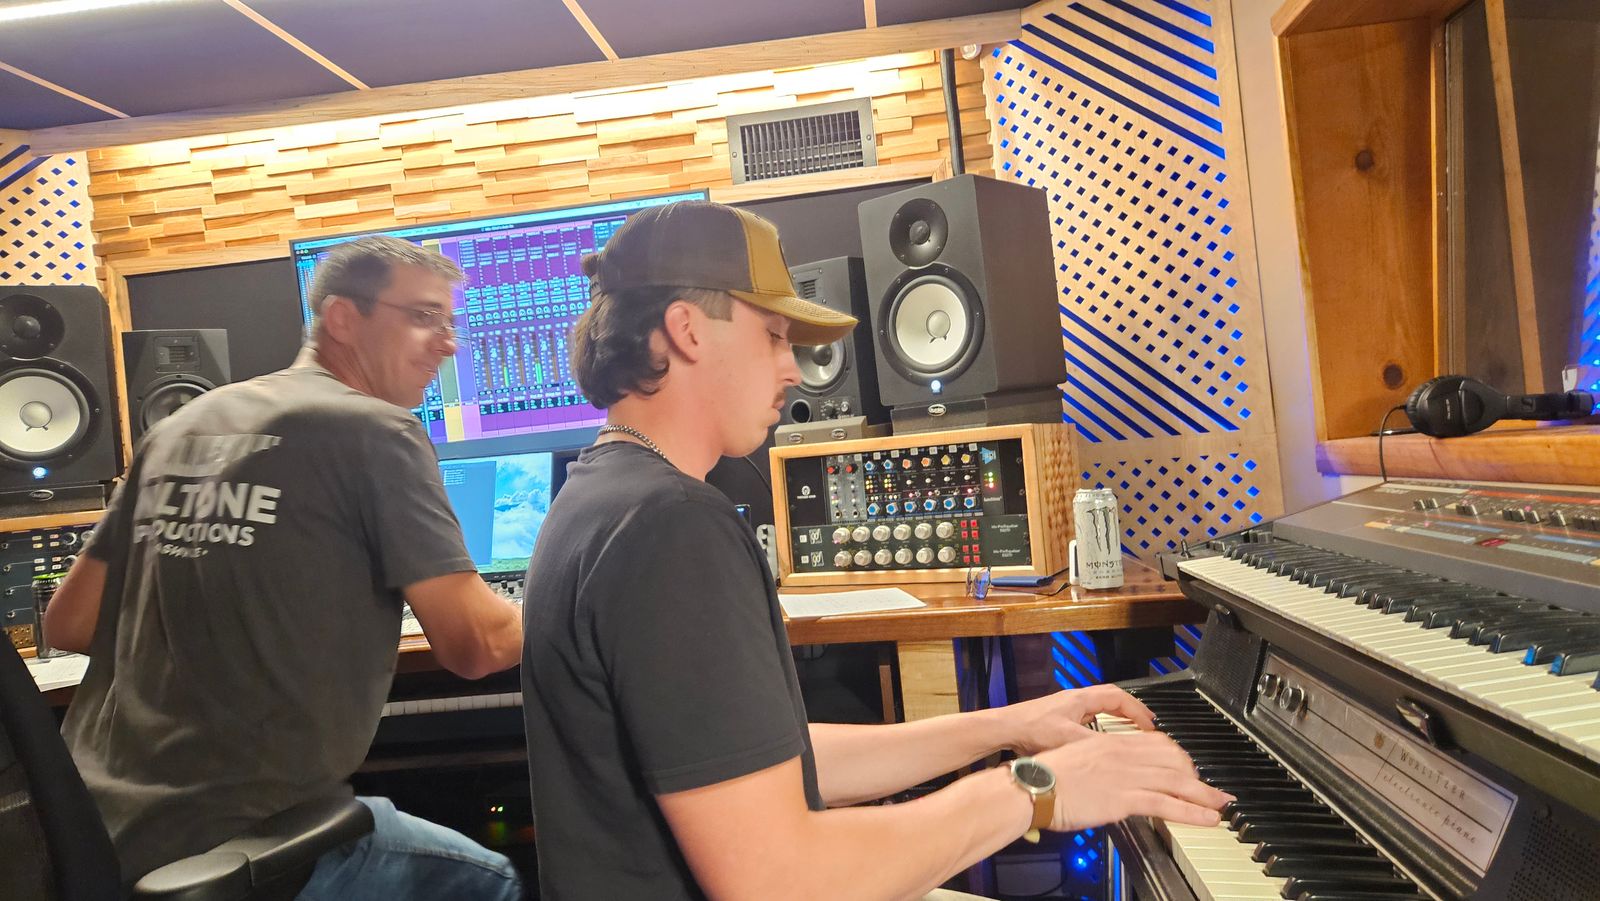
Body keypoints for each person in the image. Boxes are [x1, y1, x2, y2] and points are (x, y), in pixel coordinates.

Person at [520, 201, 1231, 900]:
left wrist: (1011, 726)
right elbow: (778, 880)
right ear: (687, 331)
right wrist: (1035, 790)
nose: (793, 368)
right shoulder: (671, 525)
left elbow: (761, 765)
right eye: (773, 335)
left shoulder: (597, 498)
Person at [45, 236, 525, 899]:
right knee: (490, 879)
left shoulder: (180, 427)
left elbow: (69, 624)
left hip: (91, 833)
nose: (448, 344)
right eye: (423, 316)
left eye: (450, 322)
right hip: (234, 836)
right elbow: (477, 645)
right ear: (342, 318)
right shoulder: (376, 430)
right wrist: (566, 597)